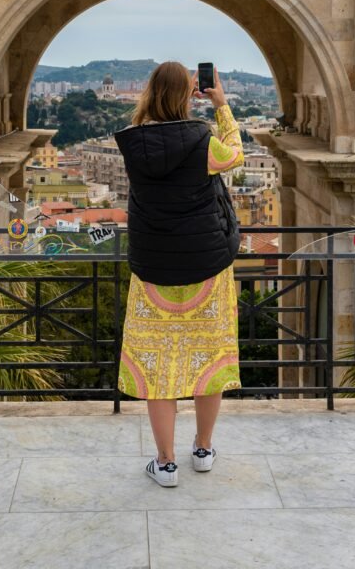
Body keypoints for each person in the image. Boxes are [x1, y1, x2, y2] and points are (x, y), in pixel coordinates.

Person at [114, 62, 244, 488]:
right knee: (207, 358)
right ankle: (203, 450)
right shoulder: (201, 141)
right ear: (188, 95)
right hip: (206, 267)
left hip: (153, 270)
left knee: (157, 368)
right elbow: (236, 154)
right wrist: (221, 106)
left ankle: (166, 463)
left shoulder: (134, 144)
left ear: (150, 93)